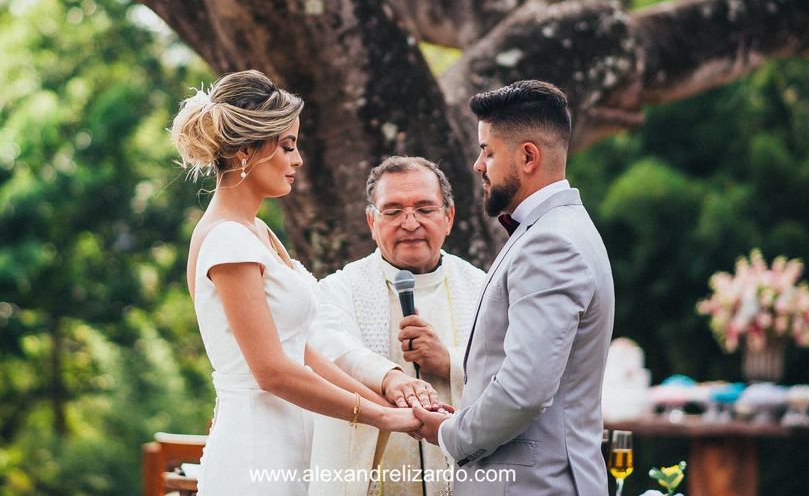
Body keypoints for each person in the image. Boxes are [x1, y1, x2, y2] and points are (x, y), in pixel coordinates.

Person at [172, 70, 421, 496]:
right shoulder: (227, 240)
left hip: (289, 448)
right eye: (287, 146)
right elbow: (271, 371)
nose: (298, 159)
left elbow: (298, 349)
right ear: (248, 151)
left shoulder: (256, 233)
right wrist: (375, 417)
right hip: (255, 452)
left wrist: (384, 403)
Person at [411, 80, 614, 496]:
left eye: (487, 151)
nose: (477, 165)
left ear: (527, 156)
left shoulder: (550, 243)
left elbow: (524, 390)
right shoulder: (562, 230)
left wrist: (451, 434)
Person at [309, 156, 486, 496]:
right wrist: (388, 376)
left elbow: (513, 365)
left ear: (448, 217)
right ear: (371, 221)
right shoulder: (339, 287)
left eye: (424, 208)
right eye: (392, 211)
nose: (410, 223)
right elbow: (326, 343)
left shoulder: (481, 288)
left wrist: (448, 360)